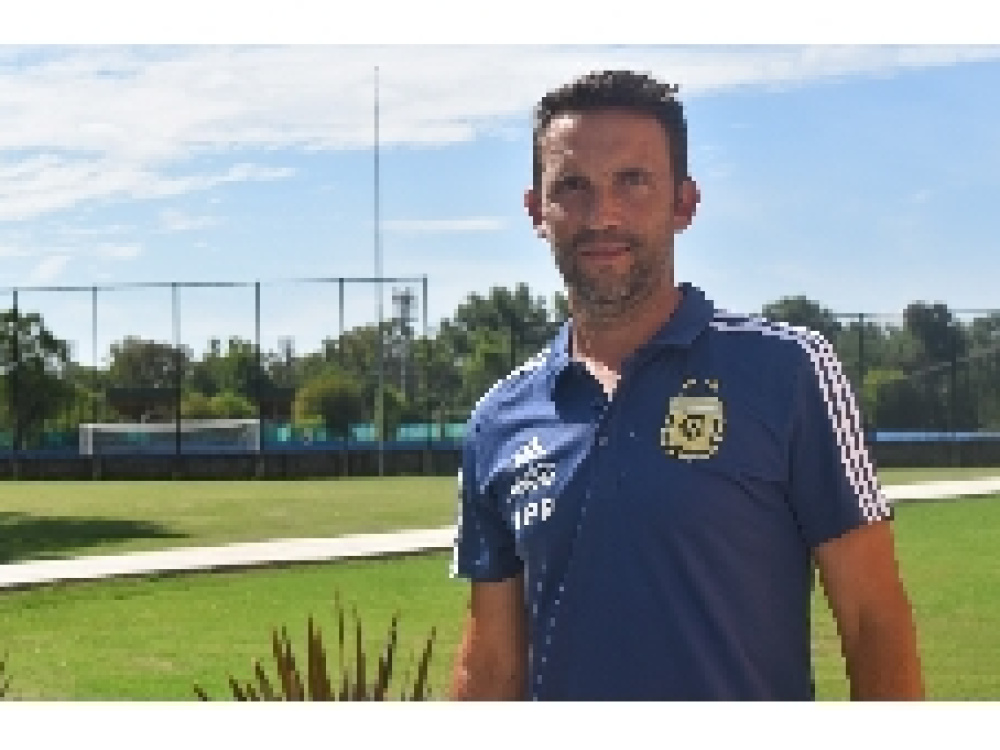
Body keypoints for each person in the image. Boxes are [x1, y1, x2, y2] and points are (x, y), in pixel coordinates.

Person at [449, 70, 924, 700]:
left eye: (632, 181)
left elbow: (873, 623)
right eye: (572, 186)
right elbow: (492, 665)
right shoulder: (499, 419)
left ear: (684, 203)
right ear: (537, 210)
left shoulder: (789, 371)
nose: (602, 214)